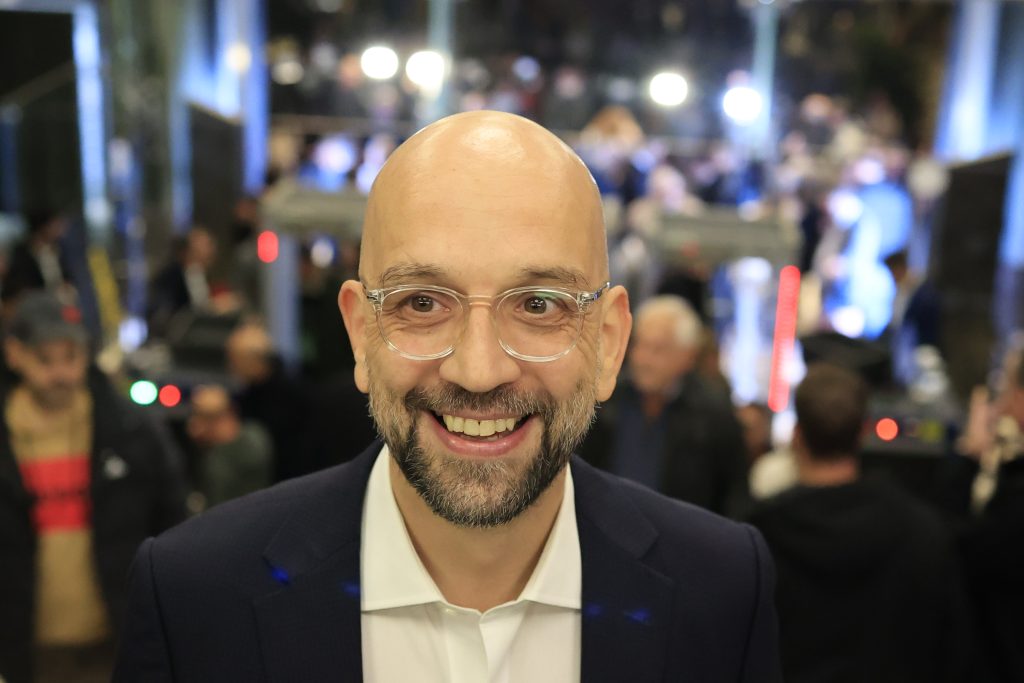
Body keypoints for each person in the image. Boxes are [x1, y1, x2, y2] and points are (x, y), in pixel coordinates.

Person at [113, 111, 781, 682]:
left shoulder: (723, 591)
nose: (478, 370)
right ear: (360, 333)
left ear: (608, 343)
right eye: (423, 303)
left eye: (538, 304)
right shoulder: (194, 599)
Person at [0, 291, 187, 683]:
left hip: (116, 643)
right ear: (14, 355)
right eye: (45, 359)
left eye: (71, 357)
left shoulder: (130, 432)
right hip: (24, 651)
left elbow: (173, 524)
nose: (61, 373)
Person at [746, 363, 969, 683]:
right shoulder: (922, 530)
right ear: (863, 433)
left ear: (797, 435)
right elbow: (950, 646)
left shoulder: (758, 539)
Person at [579, 295, 749, 516]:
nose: (642, 359)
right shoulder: (604, 398)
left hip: (680, 532)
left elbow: (735, 498)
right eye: (639, 344)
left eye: (658, 349)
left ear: (687, 356)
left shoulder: (714, 415)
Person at [225, 321, 311, 481]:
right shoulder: (248, 393)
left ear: (253, 361)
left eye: (234, 360)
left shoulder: (290, 395)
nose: (231, 367)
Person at [187, 384, 272, 509]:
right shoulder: (207, 448)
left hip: (245, 511)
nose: (198, 425)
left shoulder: (253, 439)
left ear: (229, 413)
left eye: (209, 418)